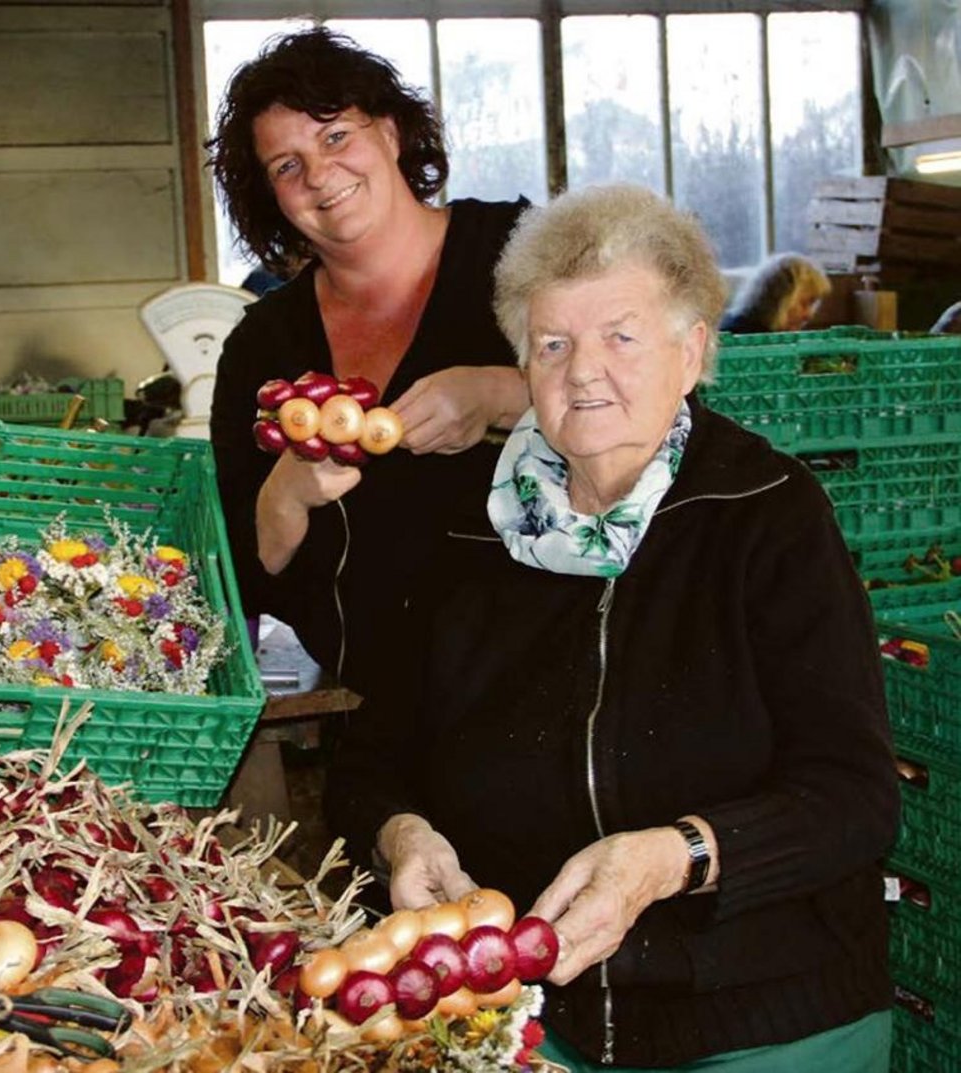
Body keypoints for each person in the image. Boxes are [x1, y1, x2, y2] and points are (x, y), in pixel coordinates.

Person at [325, 185, 898, 1071]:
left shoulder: (765, 515)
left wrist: (676, 857)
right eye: (553, 344)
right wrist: (401, 832)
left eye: (621, 337)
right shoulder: (469, 530)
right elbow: (369, 757)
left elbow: (856, 798)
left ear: (693, 351)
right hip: (523, 1017)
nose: (583, 371)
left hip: (762, 1020)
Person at [206, 28, 530, 702]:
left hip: (549, 670)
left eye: (334, 137)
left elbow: (657, 413)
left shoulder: (523, 252)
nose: (320, 176)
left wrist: (501, 393)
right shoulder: (263, 343)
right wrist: (283, 494)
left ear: (390, 133)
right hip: (374, 700)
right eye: (286, 166)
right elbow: (232, 575)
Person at [719, 252, 832, 334]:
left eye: (812, 305)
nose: (809, 315)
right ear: (779, 300)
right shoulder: (737, 339)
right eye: (804, 303)